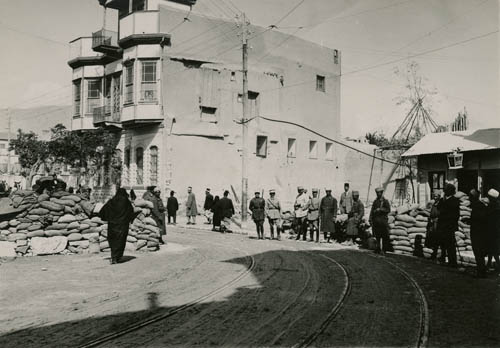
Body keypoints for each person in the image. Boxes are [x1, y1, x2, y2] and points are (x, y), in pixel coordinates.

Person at [99, 188, 136, 264]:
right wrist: (129, 219)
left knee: (113, 241)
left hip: (112, 226)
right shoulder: (126, 202)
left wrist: (107, 218)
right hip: (122, 225)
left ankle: (114, 257)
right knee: (121, 241)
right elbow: (131, 211)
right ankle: (118, 256)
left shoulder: (112, 201)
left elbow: (102, 211)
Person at [436, 183, 460, 267]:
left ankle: (452, 261)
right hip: (442, 225)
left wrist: (452, 225)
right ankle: (443, 257)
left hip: (449, 226)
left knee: (450, 244)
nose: (444, 191)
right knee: (442, 243)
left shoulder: (455, 201)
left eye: (446, 190)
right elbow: (438, 208)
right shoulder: (443, 200)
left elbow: (455, 215)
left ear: (451, 191)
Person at [469, 189, 489, 277]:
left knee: (478, 252)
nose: (469, 198)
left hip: (479, 233)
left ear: (473, 197)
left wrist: (471, 221)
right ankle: (481, 270)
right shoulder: (477, 205)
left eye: (470, 196)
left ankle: (481, 272)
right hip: (478, 233)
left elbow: (480, 219)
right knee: (478, 252)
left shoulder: (478, 206)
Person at [369, 187, 392, 254]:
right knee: (377, 236)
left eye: (379, 193)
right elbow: (372, 211)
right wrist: (370, 219)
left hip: (383, 221)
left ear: (381, 193)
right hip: (376, 221)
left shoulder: (385, 201)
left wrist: (381, 209)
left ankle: (384, 249)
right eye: (377, 193)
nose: (378, 194)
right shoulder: (375, 201)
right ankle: (378, 248)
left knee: (384, 236)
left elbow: (388, 210)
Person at [486, 189, 500, 273]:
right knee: (492, 249)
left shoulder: (494, 207)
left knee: (494, 249)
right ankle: (489, 264)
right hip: (494, 230)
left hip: (494, 230)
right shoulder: (495, 205)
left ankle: (496, 265)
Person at [426, 190, 442, 260]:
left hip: (437, 224)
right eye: (434, 196)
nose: (435, 198)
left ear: (439, 196)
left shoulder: (440, 204)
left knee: (437, 239)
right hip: (432, 223)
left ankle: (438, 254)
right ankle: (434, 253)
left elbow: (441, 214)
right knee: (432, 238)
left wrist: (436, 219)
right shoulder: (434, 204)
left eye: (436, 196)